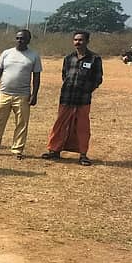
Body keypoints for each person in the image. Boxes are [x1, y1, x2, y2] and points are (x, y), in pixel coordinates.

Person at [42, 31, 103, 166]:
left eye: (81, 40)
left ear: (87, 41)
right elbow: (65, 75)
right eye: (75, 40)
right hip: (67, 97)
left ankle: (83, 155)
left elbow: (98, 79)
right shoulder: (68, 58)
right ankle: (54, 150)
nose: (77, 42)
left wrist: (86, 90)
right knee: (60, 124)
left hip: (83, 99)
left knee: (82, 127)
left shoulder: (94, 59)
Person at [0, 29, 42, 160]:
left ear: (29, 40)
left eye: (23, 38)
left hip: (23, 95)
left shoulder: (34, 56)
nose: (20, 41)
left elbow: (36, 77)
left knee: (21, 123)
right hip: (4, 93)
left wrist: (34, 94)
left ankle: (17, 150)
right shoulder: (6, 53)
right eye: (18, 38)